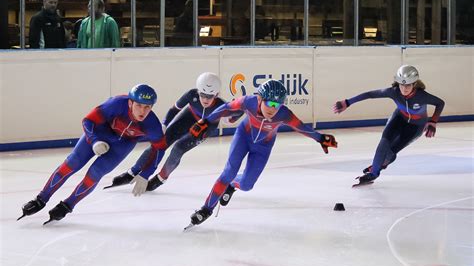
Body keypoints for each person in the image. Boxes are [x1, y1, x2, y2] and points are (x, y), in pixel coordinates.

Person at [186, 79, 338, 228]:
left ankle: (232, 185)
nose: (273, 108)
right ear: (260, 98)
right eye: (270, 103)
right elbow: (226, 108)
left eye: (277, 104)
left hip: (263, 147)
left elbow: (301, 127)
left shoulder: (284, 114)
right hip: (243, 137)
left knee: (246, 185)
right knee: (229, 172)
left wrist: (320, 138)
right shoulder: (249, 102)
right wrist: (205, 121)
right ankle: (206, 209)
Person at [17, 84, 167, 224]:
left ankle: (67, 205)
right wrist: (94, 140)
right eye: (139, 105)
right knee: (72, 163)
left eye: (147, 107)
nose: (142, 111)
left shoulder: (152, 125)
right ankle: (41, 199)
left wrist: (146, 174)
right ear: (130, 103)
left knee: (95, 173)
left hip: (122, 144)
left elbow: (159, 149)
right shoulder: (116, 103)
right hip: (100, 133)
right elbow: (88, 121)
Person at [106, 72, 241, 191]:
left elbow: (241, 110)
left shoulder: (221, 105)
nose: (205, 99)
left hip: (207, 125)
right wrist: (164, 124)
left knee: (178, 148)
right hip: (188, 116)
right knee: (160, 142)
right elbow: (174, 110)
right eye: (202, 95)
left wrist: (231, 119)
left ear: (216, 94)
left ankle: (160, 178)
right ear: (198, 91)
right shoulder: (191, 94)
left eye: (209, 96)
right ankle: (132, 172)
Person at [333, 65, 445, 187]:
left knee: (390, 153)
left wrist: (433, 121)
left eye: (408, 85)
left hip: (415, 126)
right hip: (399, 118)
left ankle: (381, 164)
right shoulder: (394, 92)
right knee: (383, 144)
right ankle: (373, 173)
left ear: (414, 84)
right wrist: (347, 102)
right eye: (402, 85)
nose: (404, 88)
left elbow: (440, 103)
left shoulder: (422, 96)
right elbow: (370, 94)